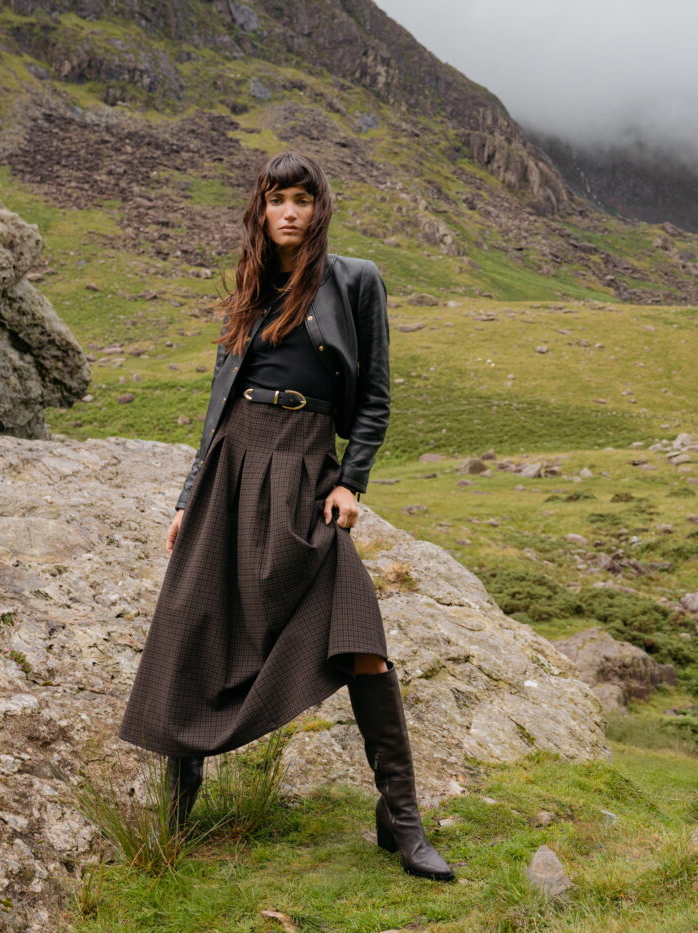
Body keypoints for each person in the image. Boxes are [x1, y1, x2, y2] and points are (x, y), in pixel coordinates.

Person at [117, 151, 453, 882]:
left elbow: (376, 396)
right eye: (277, 200)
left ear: (318, 207)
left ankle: (401, 819)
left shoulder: (355, 280)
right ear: (261, 210)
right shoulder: (250, 283)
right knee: (195, 623)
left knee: (360, 636)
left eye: (302, 199)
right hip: (236, 460)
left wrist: (351, 481)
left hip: (307, 465)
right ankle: (177, 810)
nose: (290, 212)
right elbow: (218, 401)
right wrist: (188, 496)